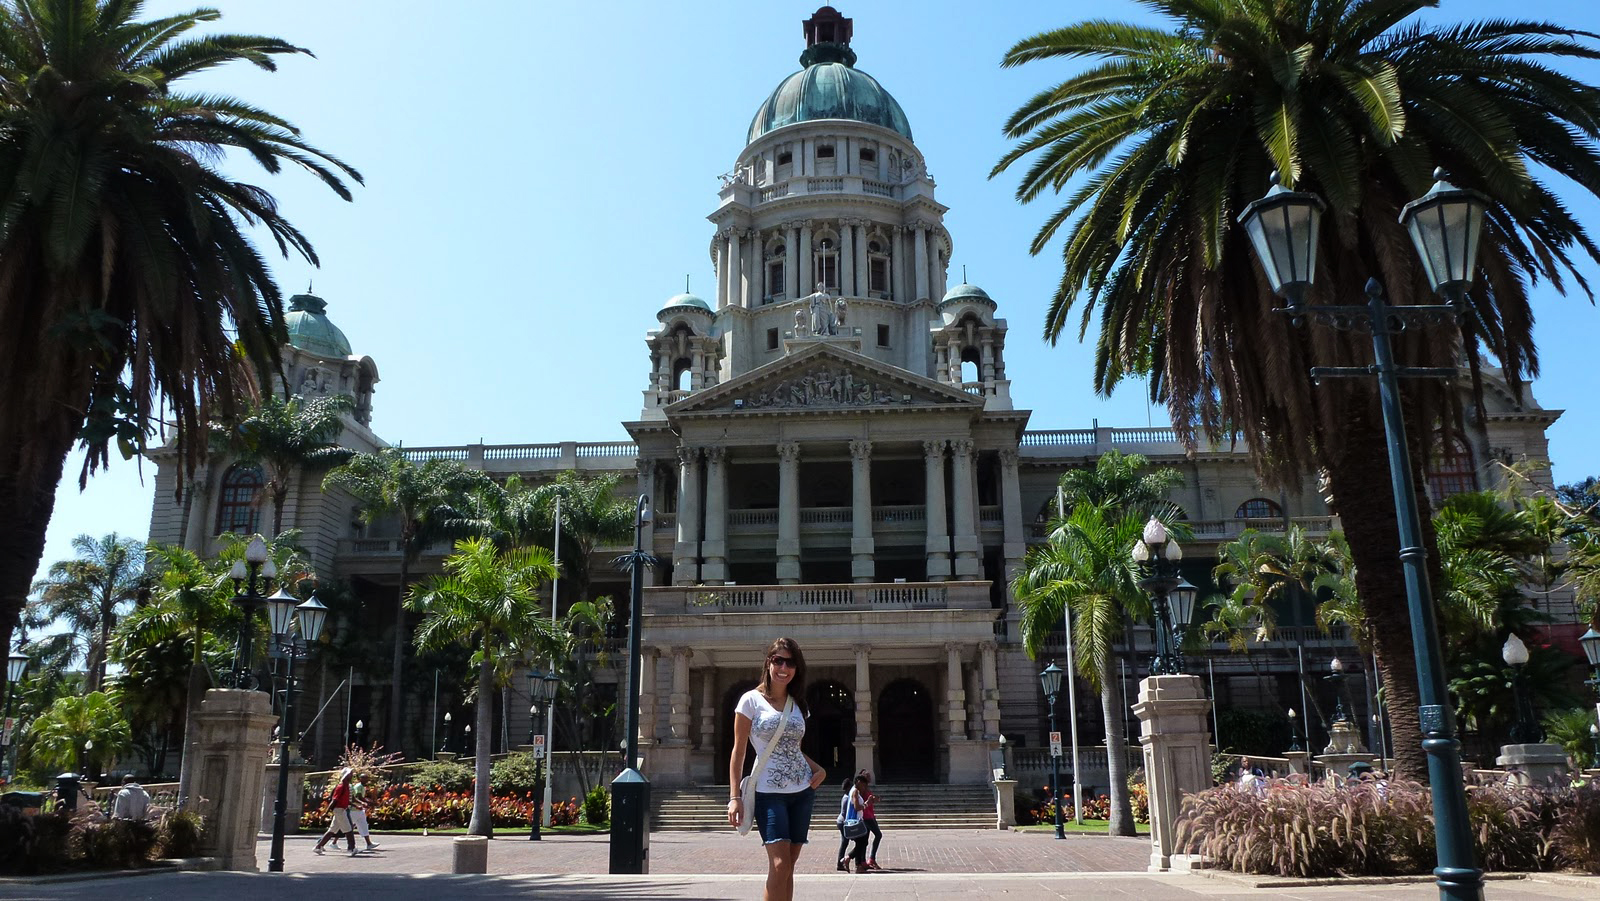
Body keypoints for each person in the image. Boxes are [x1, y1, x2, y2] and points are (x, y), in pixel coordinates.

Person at [727, 637, 827, 901]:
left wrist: (819, 769)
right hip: (768, 792)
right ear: (768, 662)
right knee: (780, 865)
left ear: (797, 668)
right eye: (778, 660)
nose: (784, 667)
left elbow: (792, 749)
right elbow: (739, 751)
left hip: (802, 791)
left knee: (788, 868)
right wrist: (734, 798)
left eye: (790, 662)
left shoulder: (799, 705)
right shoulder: (750, 701)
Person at [312, 768, 355, 855]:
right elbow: (334, 800)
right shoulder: (341, 786)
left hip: (341, 809)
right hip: (339, 810)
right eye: (350, 774)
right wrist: (326, 812)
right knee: (348, 830)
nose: (352, 775)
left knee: (332, 830)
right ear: (346, 775)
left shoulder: (346, 786)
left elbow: (345, 800)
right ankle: (351, 848)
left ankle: (318, 846)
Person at [857, 770, 883, 870]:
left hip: (870, 815)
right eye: (867, 776)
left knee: (865, 840)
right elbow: (861, 803)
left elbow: (870, 799)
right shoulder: (861, 789)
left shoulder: (866, 788)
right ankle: (871, 859)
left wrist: (875, 799)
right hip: (866, 817)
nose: (869, 777)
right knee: (878, 835)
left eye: (869, 775)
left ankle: (864, 861)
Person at [348, 774, 380, 853]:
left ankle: (369, 843)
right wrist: (369, 802)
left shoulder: (361, 786)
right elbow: (358, 797)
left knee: (363, 825)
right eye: (364, 778)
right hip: (354, 810)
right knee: (347, 827)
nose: (366, 780)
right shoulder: (359, 786)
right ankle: (332, 841)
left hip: (359, 810)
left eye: (367, 778)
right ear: (360, 779)